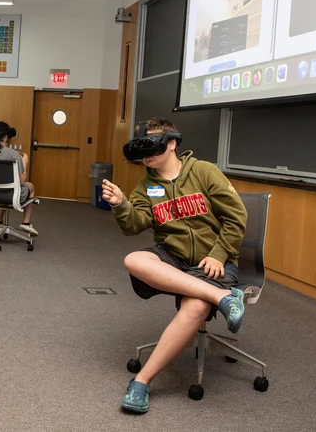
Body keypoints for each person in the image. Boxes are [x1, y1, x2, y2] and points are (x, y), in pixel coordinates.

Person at [100, 117, 247, 414]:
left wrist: (219, 254)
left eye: (151, 143)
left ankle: (141, 382)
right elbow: (134, 225)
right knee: (133, 259)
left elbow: (236, 217)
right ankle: (221, 298)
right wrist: (121, 204)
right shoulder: (145, 186)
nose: (147, 153)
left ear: (172, 143)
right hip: (173, 258)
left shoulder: (204, 172)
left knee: (194, 306)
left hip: (213, 260)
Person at [0, 121, 38, 236]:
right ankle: (26, 223)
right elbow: (22, 181)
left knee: (4, 184)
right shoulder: (13, 154)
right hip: (9, 195)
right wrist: (24, 163)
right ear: (5, 137)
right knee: (30, 186)